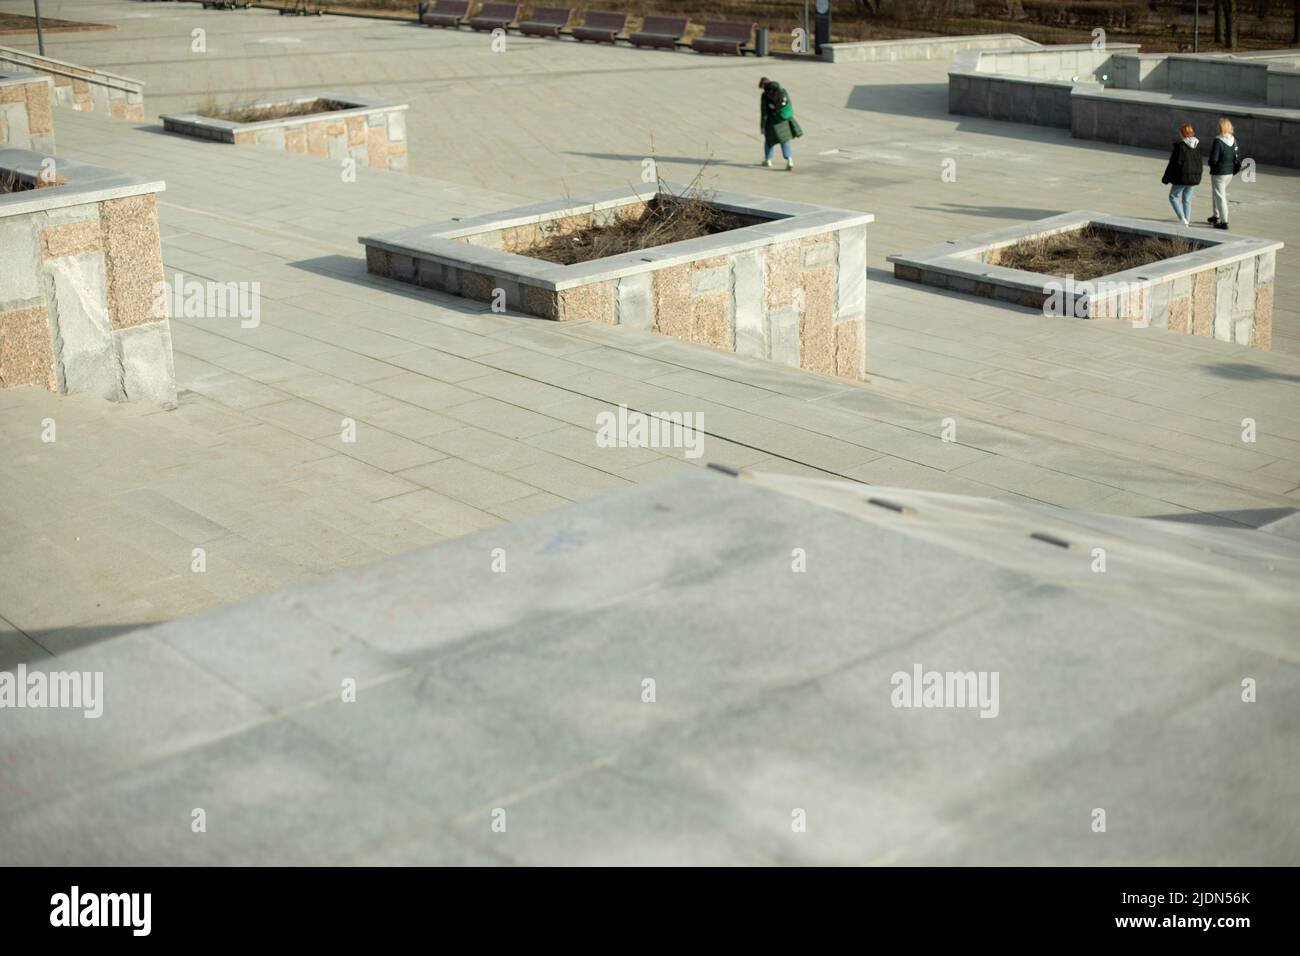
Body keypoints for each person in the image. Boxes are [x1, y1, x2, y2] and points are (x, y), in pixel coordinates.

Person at [1161, 123, 1202, 227]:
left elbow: (1174, 164)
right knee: (1187, 198)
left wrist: (1166, 178)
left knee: (1173, 196)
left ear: (1182, 133)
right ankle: (1186, 220)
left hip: (1183, 177)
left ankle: (1182, 218)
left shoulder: (1181, 146)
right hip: (1194, 176)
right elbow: (1199, 162)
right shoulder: (1196, 145)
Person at [759, 77, 802, 171]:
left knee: (769, 140)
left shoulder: (765, 95)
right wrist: (787, 115)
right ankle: (789, 160)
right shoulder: (782, 90)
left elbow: (764, 113)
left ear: (763, 85)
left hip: (772, 121)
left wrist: (762, 126)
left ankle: (768, 160)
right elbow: (789, 104)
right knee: (785, 140)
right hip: (784, 119)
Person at [1207, 117, 1240, 231]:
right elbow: (1236, 156)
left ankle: (1224, 221)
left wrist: (1210, 163)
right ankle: (1216, 216)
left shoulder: (1218, 140)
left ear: (1220, 128)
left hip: (1219, 173)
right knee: (1217, 193)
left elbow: (1213, 159)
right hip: (1229, 172)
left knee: (1220, 196)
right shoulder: (1233, 139)